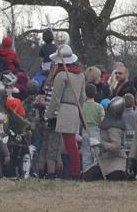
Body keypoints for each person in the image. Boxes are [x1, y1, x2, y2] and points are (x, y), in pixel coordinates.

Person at [44, 45, 86, 180]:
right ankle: (73, 172)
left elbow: (55, 98)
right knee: (70, 143)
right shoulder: (80, 75)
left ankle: (75, 173)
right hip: (74, 109)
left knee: (69, 144)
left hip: (64, 109)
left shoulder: (61, 75)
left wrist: (48, 114)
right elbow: (82, 98)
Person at [95, 97, 128, 180]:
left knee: (115, 176)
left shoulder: (115, 127)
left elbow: (116, 146)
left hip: (117, 161)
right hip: (104, 159)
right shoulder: (108, 121)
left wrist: (100, 143)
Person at [81, 83, 105, 174]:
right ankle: (95, 173)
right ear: (95, 93)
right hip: (95, 130)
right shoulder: (99, 107)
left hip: (85, 130)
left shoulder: (82, 106)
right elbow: (102, 120)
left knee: (86, 153)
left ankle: (86, 172)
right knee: (96, 154)